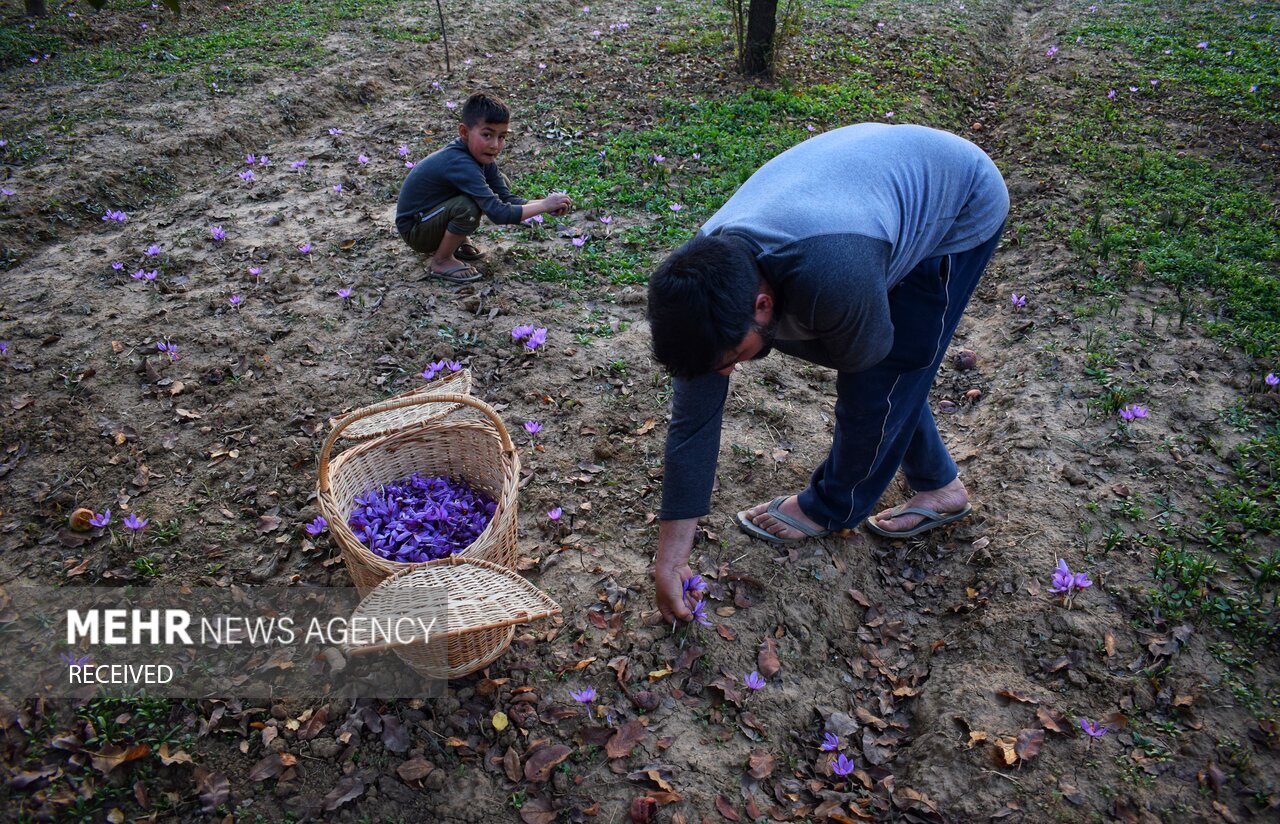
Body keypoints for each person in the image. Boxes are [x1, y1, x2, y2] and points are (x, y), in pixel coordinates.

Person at [646, 123, 1008, 623]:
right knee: (883, 373)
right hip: (858, 198)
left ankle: (834, 505)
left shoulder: (836, 279)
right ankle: (940, 486)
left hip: (957, 204)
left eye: (730, 357)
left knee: (888, 371)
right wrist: (670, 559)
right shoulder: (701, 285)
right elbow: (692, 422)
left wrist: (830, 505)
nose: (726, 371)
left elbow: (874, 373)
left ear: (763, 303)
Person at [395, 92, 573, 283]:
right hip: (416, 231)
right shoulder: (460, 162)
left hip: (431, 216)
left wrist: (546, 204)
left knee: (498, 184)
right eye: (487, 135)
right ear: (464, 132)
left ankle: (458, 241)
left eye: (502, 136)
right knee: (466, 207)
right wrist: (544, 205)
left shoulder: (481, 157)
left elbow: (505, 199)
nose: (495, 145)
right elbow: (498, 213)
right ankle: (442, 260)